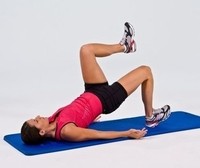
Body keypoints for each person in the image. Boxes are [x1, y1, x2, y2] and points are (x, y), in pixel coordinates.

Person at [21, 22, 171, 144]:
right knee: (146, 71)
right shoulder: (67, 132)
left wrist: (87, 118)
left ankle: (125, 46)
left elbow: (75, 113)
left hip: (92, 90)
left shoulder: (51, 121)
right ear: (42, 131)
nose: (38, 116)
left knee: (86, 50)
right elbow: (97, 135)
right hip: (106, 99)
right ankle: (151, 117)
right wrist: (126, 133)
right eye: (36, 120)